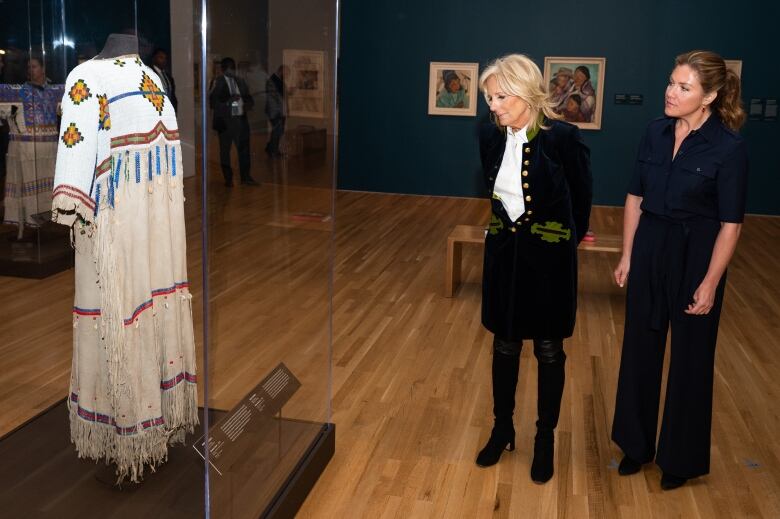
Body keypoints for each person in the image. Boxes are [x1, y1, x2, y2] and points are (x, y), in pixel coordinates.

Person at [611, 50, 748, 490]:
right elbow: (634, 198)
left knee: (691, 360)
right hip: (650, 244)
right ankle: (635, 446)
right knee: (639, 348)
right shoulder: (653, 133)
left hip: (696, 256)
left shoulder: (729, 148)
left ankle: (680, 460)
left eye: (683, 87)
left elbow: (730, 225)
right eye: (671, 82)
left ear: (708, 95)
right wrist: (628, 255)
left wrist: (710, 282)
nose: (671, 92)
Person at [475, 54, 592, 484]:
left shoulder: (563, 139)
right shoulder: (488, 136)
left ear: (527, 93)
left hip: (549, 265)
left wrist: (554, 246)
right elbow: (494, 195)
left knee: (548, 350)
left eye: (501, 96)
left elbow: (581, 207)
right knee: (504, 346)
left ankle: (545, 438)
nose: (494, 106)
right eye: (490, 97)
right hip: (503, 259)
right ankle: (502, 428)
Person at [210, 57, 257, 186]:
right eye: (230, 67)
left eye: (233, 67)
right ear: (223, 69)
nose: (232, 70)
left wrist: (248, 103)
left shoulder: (240, 81)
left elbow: (249, 98)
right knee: (225, 151)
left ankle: (245, 177)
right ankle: (228, 179)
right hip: (225, 122)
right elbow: (213, 103)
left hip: (240, 120)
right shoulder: (217, 82)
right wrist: (229, 101)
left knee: (244, 150)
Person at [264, 65, 288, 158]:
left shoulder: (277, 80)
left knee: (278, 130)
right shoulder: (272, 80)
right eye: (286, 73)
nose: (286, 75)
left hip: (278, 111)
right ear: (281, 71)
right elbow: (272, 98)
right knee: (277, 131)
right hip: (275, 111)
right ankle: (273, 151)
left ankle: (271, 148)